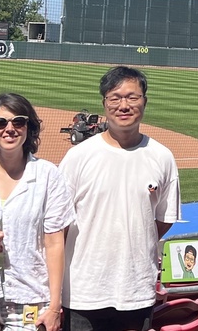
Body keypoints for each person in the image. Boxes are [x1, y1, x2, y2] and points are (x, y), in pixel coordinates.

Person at [60, 66, 180, 331]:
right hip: (83, 292)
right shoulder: (78, 157)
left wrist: (134, 241)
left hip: (135, 292)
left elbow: (162, 220)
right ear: (105, 103)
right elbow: (59, 226)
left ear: (144, 102)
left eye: (132, 97)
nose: (124, 105)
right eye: (115, 98)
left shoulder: (162, 157)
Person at [0, 93, 75, 331]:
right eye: (0, 123)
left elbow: (55, 243)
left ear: (29, 127)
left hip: (30, 296)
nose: (9, 129)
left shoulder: (48, 175)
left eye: (18, 121)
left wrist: (54, 306)